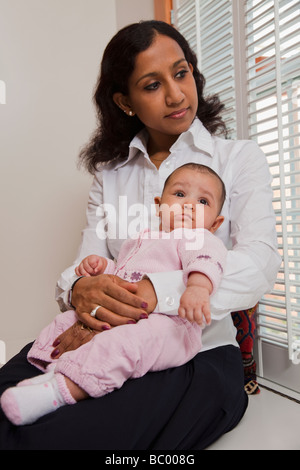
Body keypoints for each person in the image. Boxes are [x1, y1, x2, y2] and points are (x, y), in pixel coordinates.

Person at [0, 20, 281, 450]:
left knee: (61, 437)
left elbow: (259, 264)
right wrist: (80, 288)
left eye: (182, 73)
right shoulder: (109, 176)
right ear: (124, 101)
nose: (175, 94)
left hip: (194, 354)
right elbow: (83, 264)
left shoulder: (238, 158)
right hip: (99, 335)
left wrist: (157, 292)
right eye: (152, 85)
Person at [0, 163, 227, 426]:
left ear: (215, 223)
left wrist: (198, 287)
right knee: (67, 322)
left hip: (170, 326)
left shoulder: (199, 238)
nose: (189, 204)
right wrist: (101, 268)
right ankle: (50, 369)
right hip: (125, 315)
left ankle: (59, 392)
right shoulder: (141, 238)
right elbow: (123, 273)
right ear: (159, 205)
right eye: (179, 194)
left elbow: (208, 261)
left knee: (123, 345)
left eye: (202, 201)